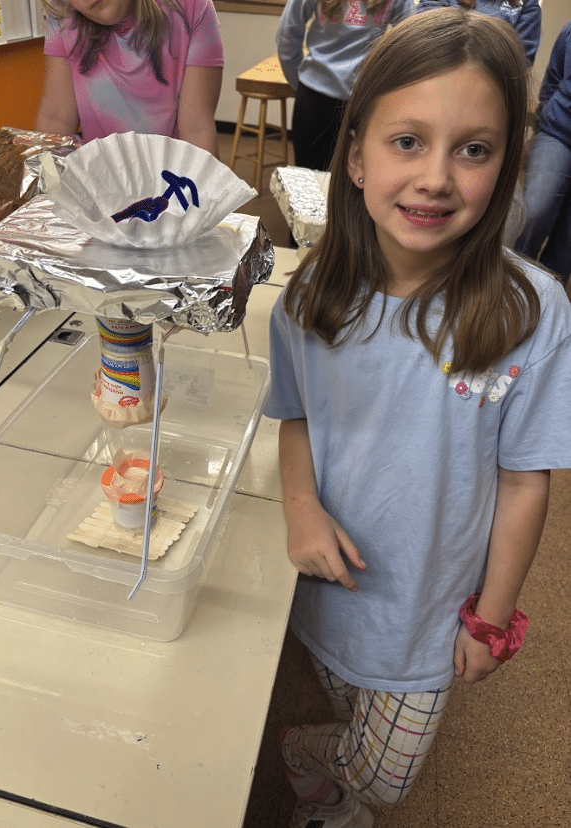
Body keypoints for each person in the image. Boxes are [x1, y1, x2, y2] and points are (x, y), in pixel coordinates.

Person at [264, 9, 571, 828]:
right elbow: (294, 416)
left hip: (434, 611)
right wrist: (300, 510)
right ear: (355, 154)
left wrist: (493, 618)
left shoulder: (531, 312)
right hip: (329, 590)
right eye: (409, 142)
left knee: (390, 778)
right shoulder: (307, 300)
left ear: (507, 165)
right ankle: (323, 779)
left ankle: (304, 755)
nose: (437, 176)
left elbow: (524, 480)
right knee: (349, 704)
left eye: (474, 149)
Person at [35, 0, 224, 156]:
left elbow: (197, 130)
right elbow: (55, 119)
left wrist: (204, 197)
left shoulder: (193, 9)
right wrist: (46, 184)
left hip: (172, 183)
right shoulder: (63, 15)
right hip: (99, 183)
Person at [276, 0, 414, 172]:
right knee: (355, 180)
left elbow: (287, 34)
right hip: (360, 98)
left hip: (317, 96)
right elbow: (413, 40)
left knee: (310, 181)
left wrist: (299, 82)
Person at [514, 21, 571, 286]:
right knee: (535, 210)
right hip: (557, 131)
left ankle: (548, 297)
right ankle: (510, 280)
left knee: (568, 238)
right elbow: (553, 79)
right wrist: (543, 120)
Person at [417, 0, 541, 66]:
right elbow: (424, 33)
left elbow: (522, 58)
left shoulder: (527, 4)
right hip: (438, 73)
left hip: (494, 83)